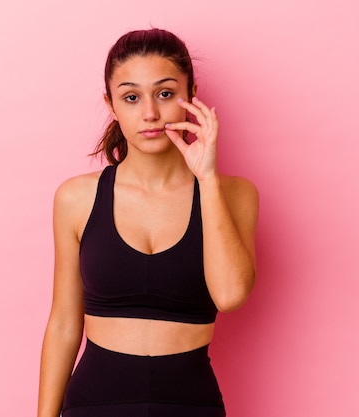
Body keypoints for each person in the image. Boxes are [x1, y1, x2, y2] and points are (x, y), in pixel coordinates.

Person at [37, 28, 258, 417]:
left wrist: (206, 179)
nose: (150, 113)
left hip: (191, 405)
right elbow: (63, 325)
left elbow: (229, 296)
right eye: (132, 97)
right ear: (111, 104)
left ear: (191, 94)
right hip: (94, 404)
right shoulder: (76, 198)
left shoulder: (234, 194)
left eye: (166, 93)